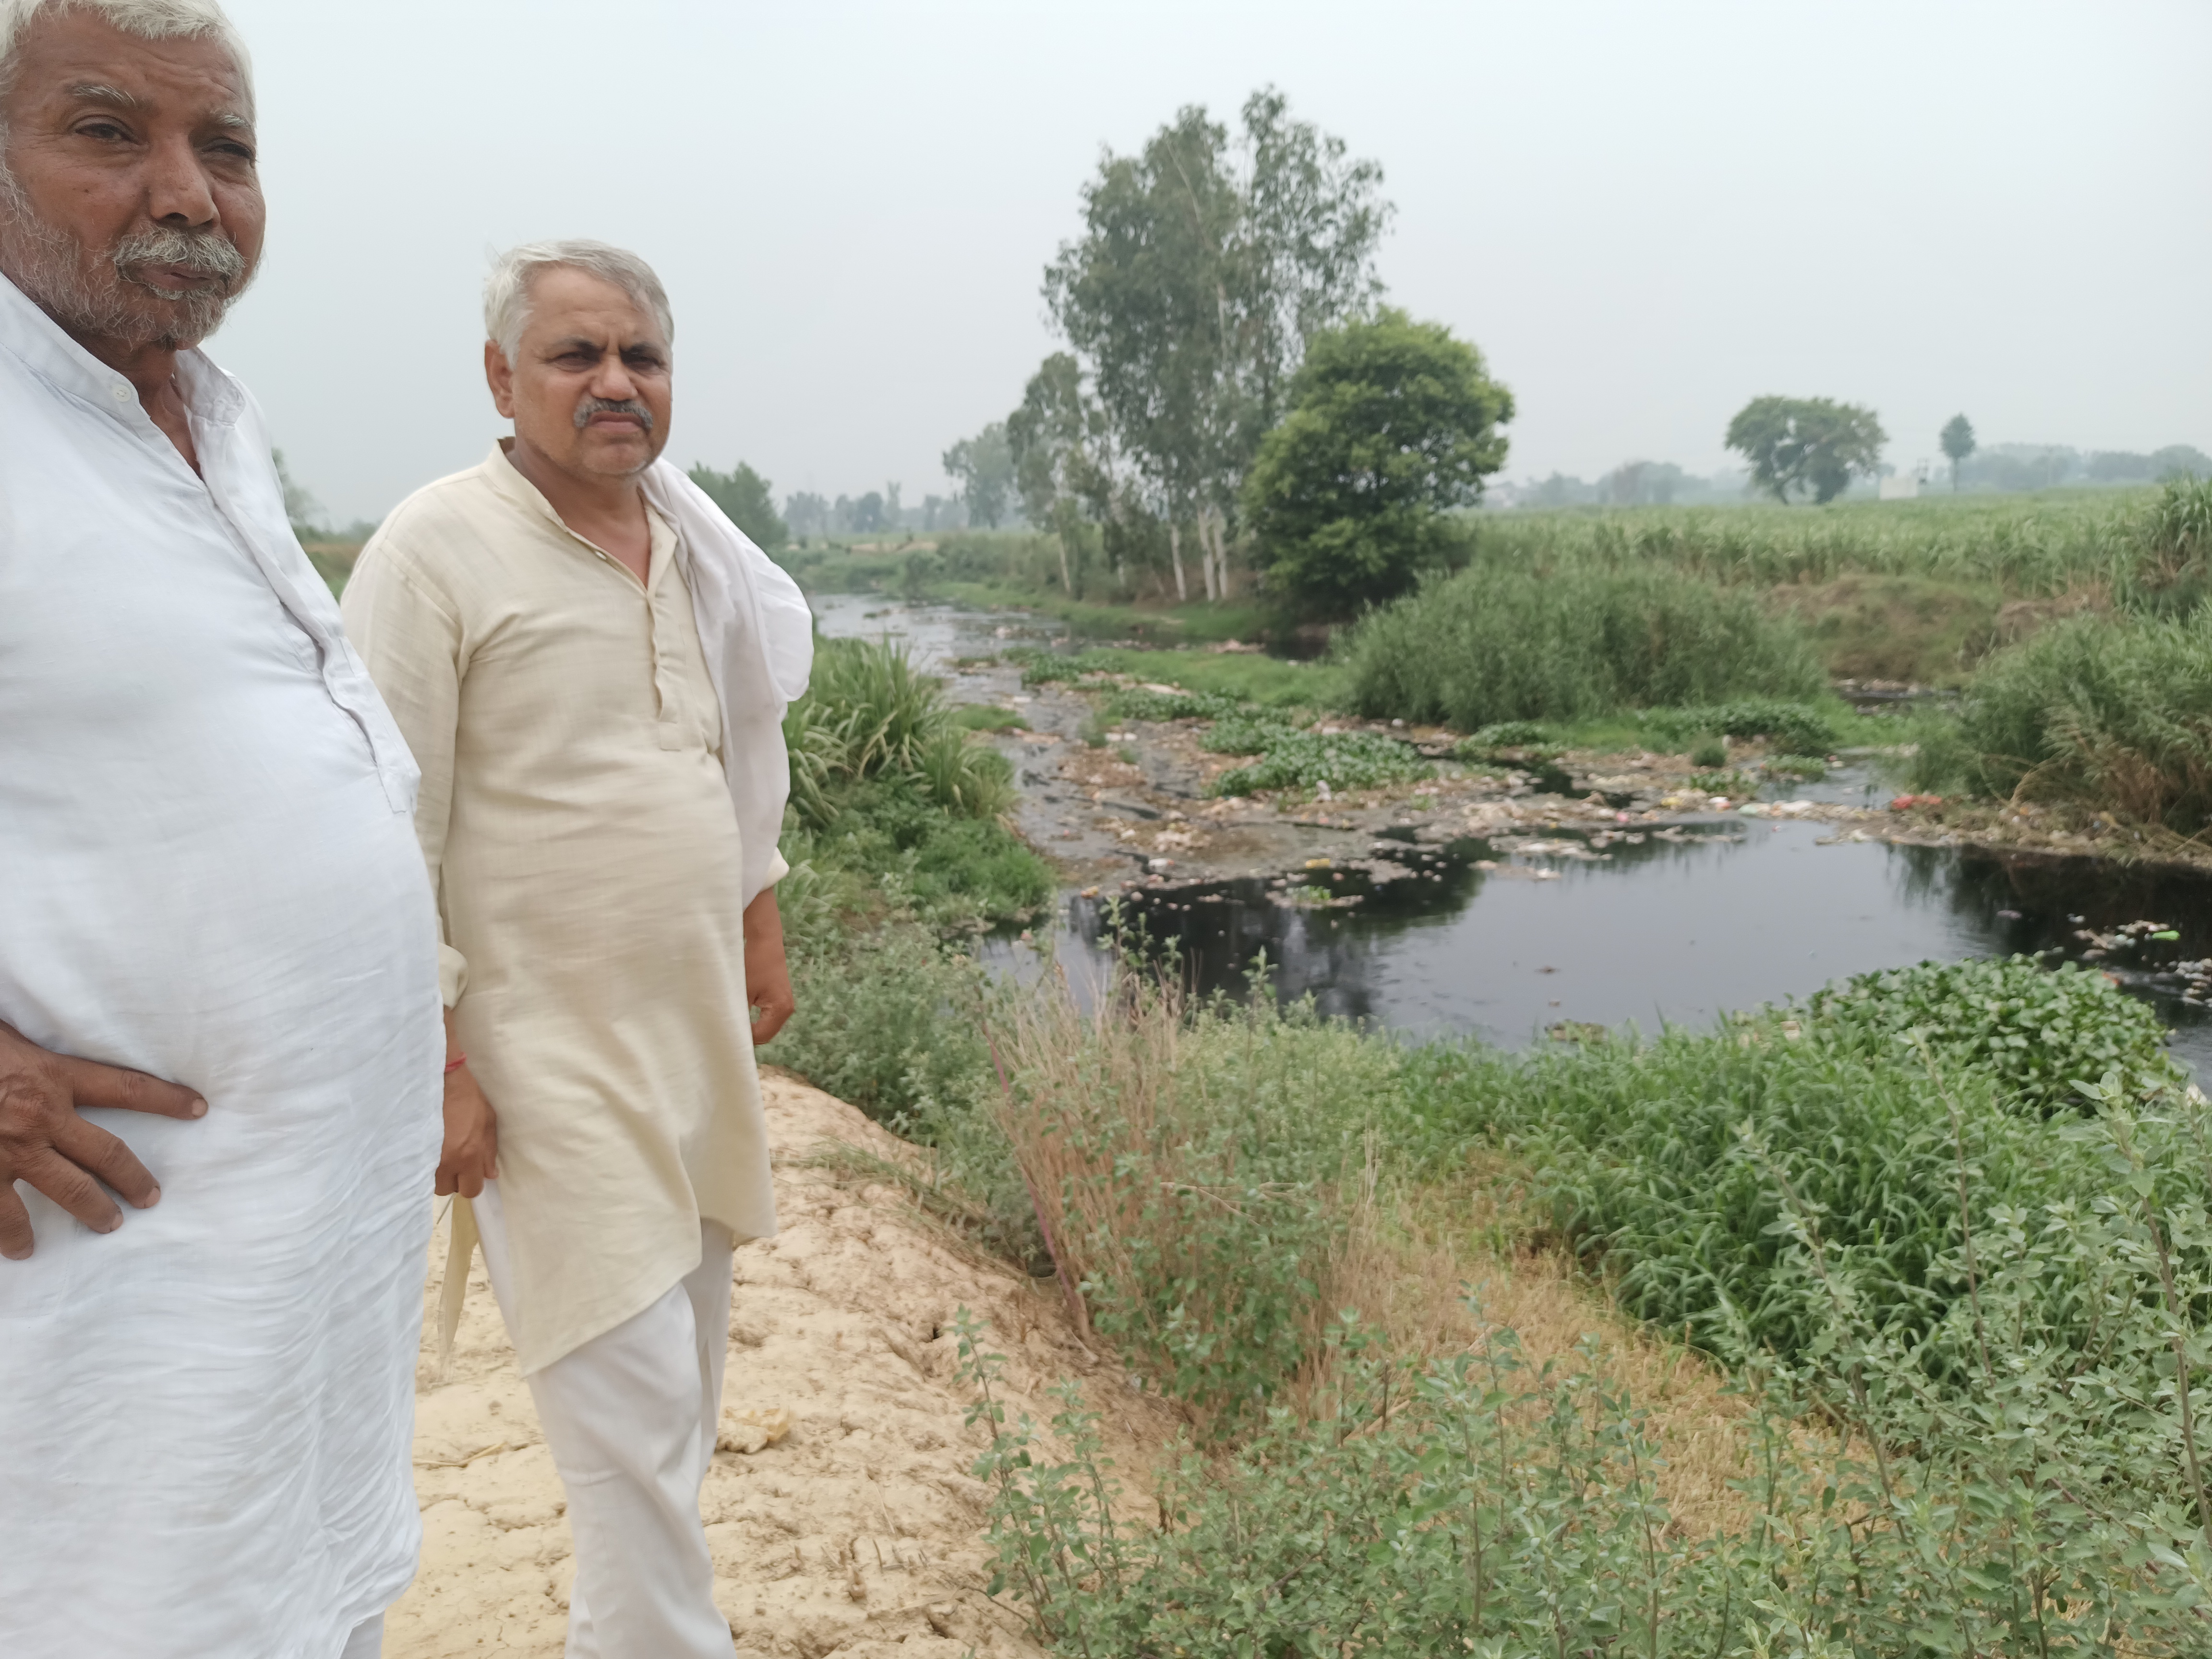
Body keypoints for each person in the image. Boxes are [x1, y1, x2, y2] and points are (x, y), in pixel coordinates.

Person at [0, 3, 442, 1656]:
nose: (189, 192)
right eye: (111, 133)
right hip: (98, 1349)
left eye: (228, 148)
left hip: (287, 1325)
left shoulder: (207, 415)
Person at [342, 239, 813, 1656]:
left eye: (642, 358)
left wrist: (759, 919)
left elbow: (731, 754)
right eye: (576, 356)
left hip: (688, 1043)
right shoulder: (436, 547)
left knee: (682, 1411)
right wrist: (437, 1062)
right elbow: (378, 826)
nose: (616, 385)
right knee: (635, 1432)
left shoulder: (689, 546)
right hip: (542, 1063)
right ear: (503, 377)